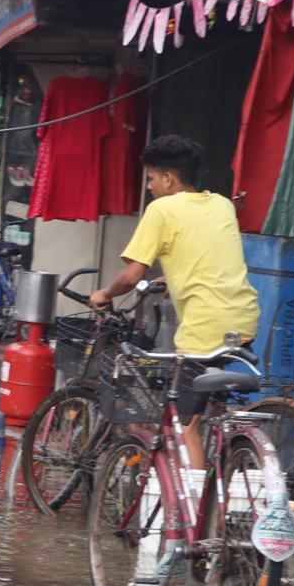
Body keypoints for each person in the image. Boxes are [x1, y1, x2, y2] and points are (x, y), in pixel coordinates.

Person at [89, 134, 259, 466]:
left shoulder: (162, 209)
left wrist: (105, 293)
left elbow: (133, 275)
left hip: (204, 329)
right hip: (243, 320)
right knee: (202, 405)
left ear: (168, 178)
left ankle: (196, 510)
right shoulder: (223, 203)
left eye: (151, 178)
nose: (149, 187)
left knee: (186, 426)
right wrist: (173, 276)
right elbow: (207, 254)